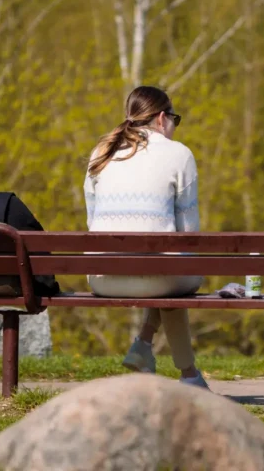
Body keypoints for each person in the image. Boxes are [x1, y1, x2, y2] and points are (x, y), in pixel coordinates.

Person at [84, 85, 207, 388]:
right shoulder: (179, 154)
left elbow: (92, 223)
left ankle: (143, 344)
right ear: (163, 118)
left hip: (103, 278)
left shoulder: (101, 152)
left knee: (161, 266)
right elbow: (188, 236)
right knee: (171, 270)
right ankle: (188, 374)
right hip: (161, 278)